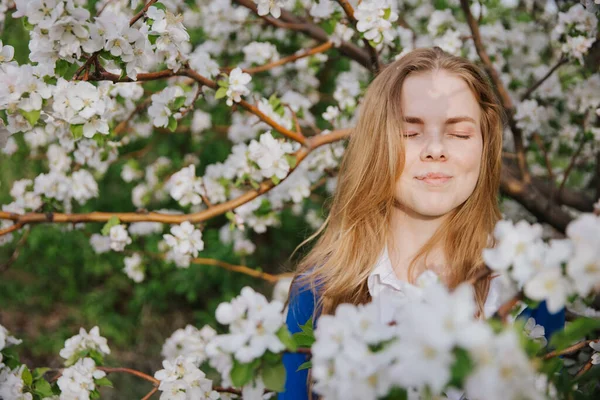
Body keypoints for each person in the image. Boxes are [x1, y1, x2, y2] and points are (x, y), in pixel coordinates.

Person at [277, 47, 565, 400]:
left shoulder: (529, 292)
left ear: (484, 147)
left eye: (459, 134)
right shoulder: (320, 290)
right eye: (410, 133)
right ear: (376, 146)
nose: (435, 149)